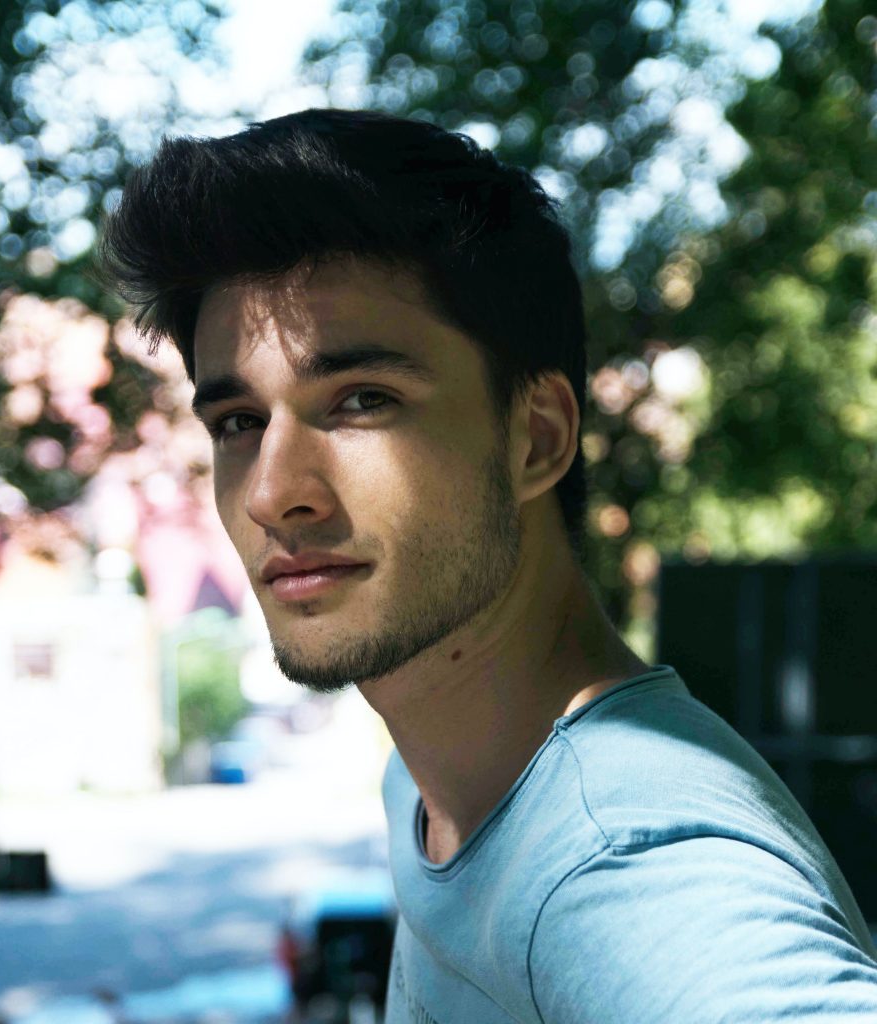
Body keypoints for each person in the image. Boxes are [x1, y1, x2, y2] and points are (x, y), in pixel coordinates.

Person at [98, 108, 877, 1022]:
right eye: (239, 422)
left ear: (535, 438)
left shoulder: (623, 865)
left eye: (362, 400)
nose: (273, 493)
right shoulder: (437, 785)